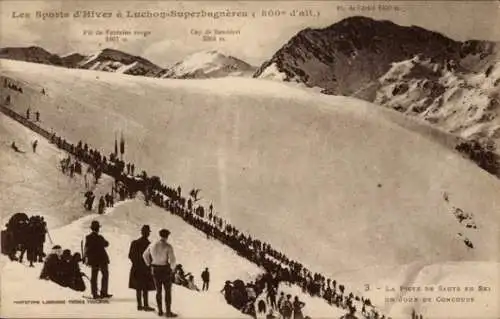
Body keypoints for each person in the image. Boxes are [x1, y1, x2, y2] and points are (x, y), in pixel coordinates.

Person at [143, 228, 177, 317]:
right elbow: (173, 260)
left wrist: (149, 264)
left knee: (158, 291)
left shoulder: (152, 244)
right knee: (167, 292)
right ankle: (168, 312)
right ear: (167, 236)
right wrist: (173, 269)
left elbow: (145, 255)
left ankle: (160, 311)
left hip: (155, 269)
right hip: (165, 270)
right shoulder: (168, 246)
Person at [128, 225, 155, 312]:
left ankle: (139, 305)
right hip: (145, 268)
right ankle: (146, 305)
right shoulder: (149, 245)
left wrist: (136, 263)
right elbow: (151, 257)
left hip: (136, 268)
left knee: (138, 287)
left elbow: (130, 255)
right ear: (148, 234)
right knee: (145, 287)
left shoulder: (135, 242)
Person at [83, 220, 112, 299]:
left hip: (94, 260)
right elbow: (106, 244)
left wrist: (85, 258)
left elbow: (86, 249)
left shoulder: (88, 237)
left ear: (92, 229)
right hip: (103, 259)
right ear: (98, 229)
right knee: (105, 275)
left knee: (94, 276)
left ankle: (94, 293)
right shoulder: (100, 237)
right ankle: (104, 292)